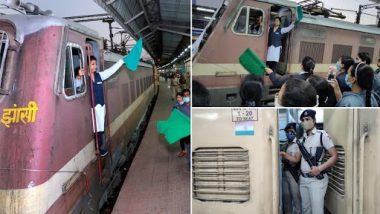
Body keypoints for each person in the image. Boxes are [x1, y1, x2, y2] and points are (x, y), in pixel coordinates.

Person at [79, 55, 125, 156]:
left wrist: (121, 61)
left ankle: (99, 148)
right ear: (87, 65)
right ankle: (98, 148)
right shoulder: (84, 77)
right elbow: (77, 85)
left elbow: (111, 70)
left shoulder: (100, 75)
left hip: (100, 107)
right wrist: (78, 76)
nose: (95, 66)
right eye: (93, 64)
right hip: (92, 108)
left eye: (95, 64)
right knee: (96, 128)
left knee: (100, 128)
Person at [294, 109, 338, 214]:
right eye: (303, 120)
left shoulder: (322, 135)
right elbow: (296, 159)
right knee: (306, 210)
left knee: (316, 211)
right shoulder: (302, 139)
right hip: (303, 179)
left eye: (307, 119)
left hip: (316, 181)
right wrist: (282, 154)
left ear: (314, 120)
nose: (305, 122)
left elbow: (335, 156)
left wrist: (319, 168)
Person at [280, 122, 302, 214]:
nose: (289, 133)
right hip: (284, 173)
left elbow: (296, 160)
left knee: (296, 199)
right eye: (287, 132)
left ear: (296, 132)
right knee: (286, 199)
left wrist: (285, 155)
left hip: (293, 174)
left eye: (291, 131)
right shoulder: (285, 145)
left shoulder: (299, 144)